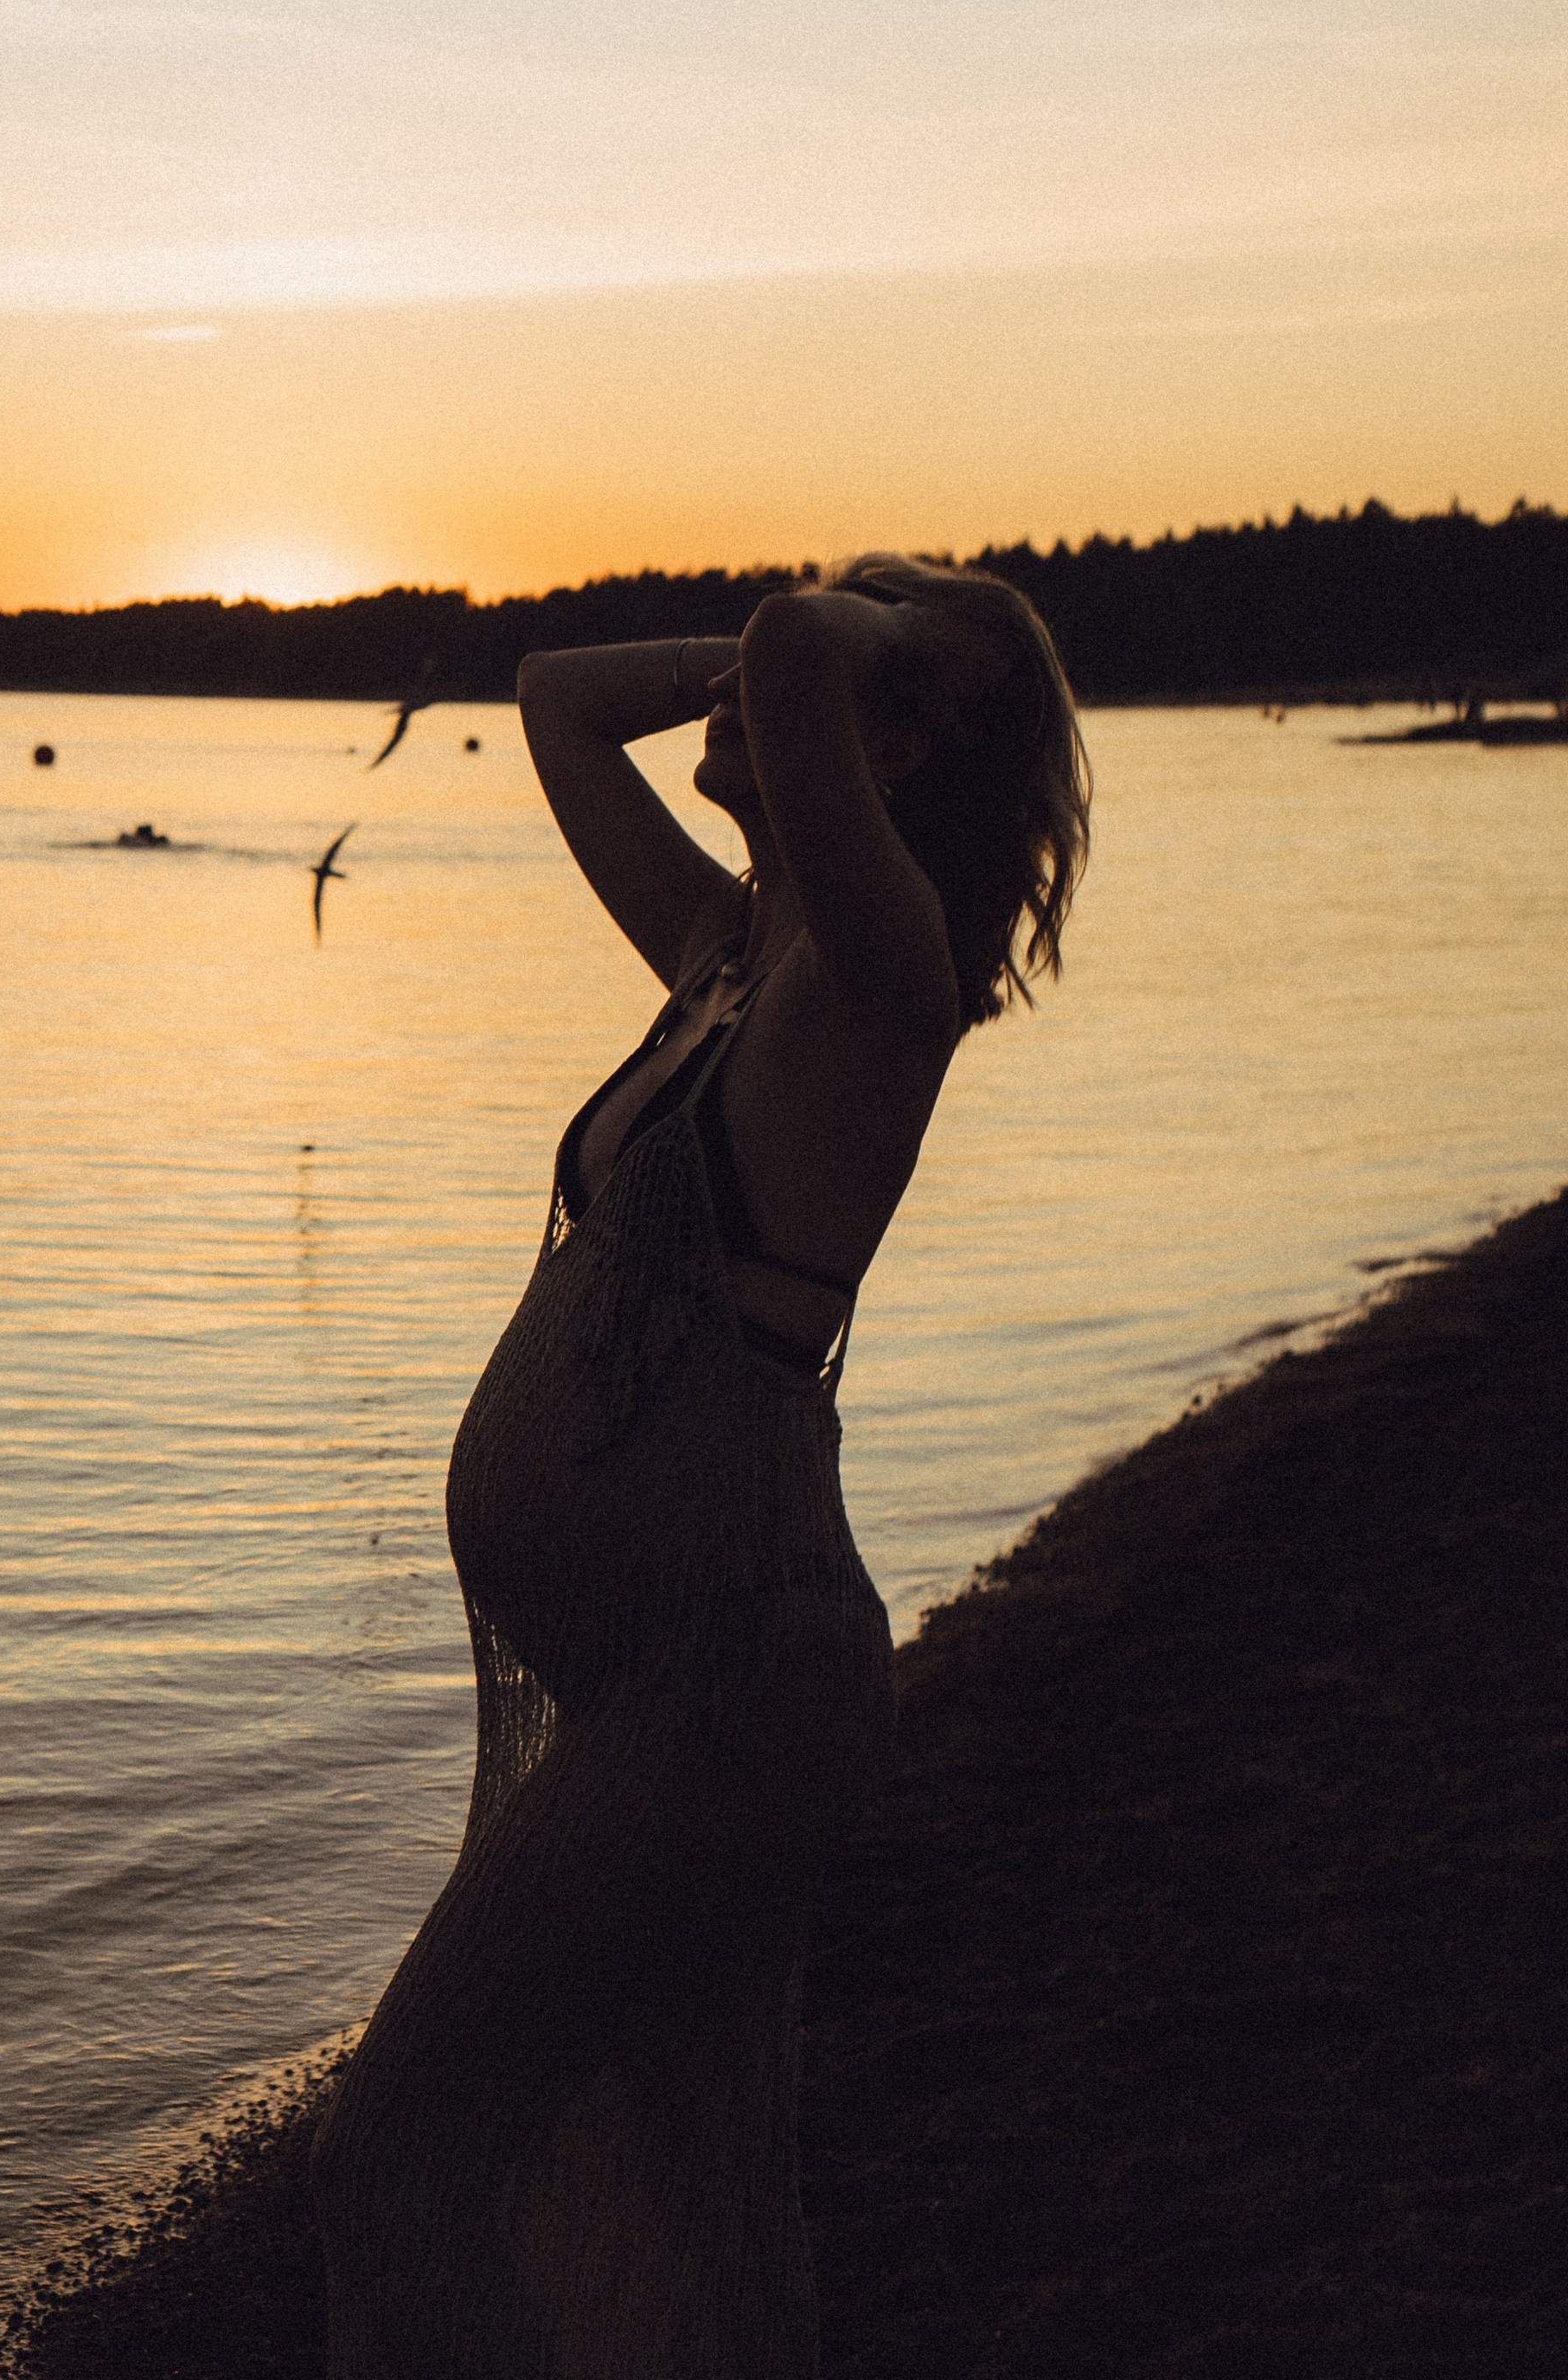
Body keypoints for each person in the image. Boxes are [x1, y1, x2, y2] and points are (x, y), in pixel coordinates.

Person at [311, 557, 1091, 2379]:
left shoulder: (897, 977)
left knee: (400, 2154)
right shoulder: (732, 955)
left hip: (738, 1669)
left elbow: (796, 652)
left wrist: (862, 637)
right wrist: (826, 657)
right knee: (703, 2215)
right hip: (658, 1670)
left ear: (906, 758)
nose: (760, 673)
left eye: (856, 673)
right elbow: (556, 694)